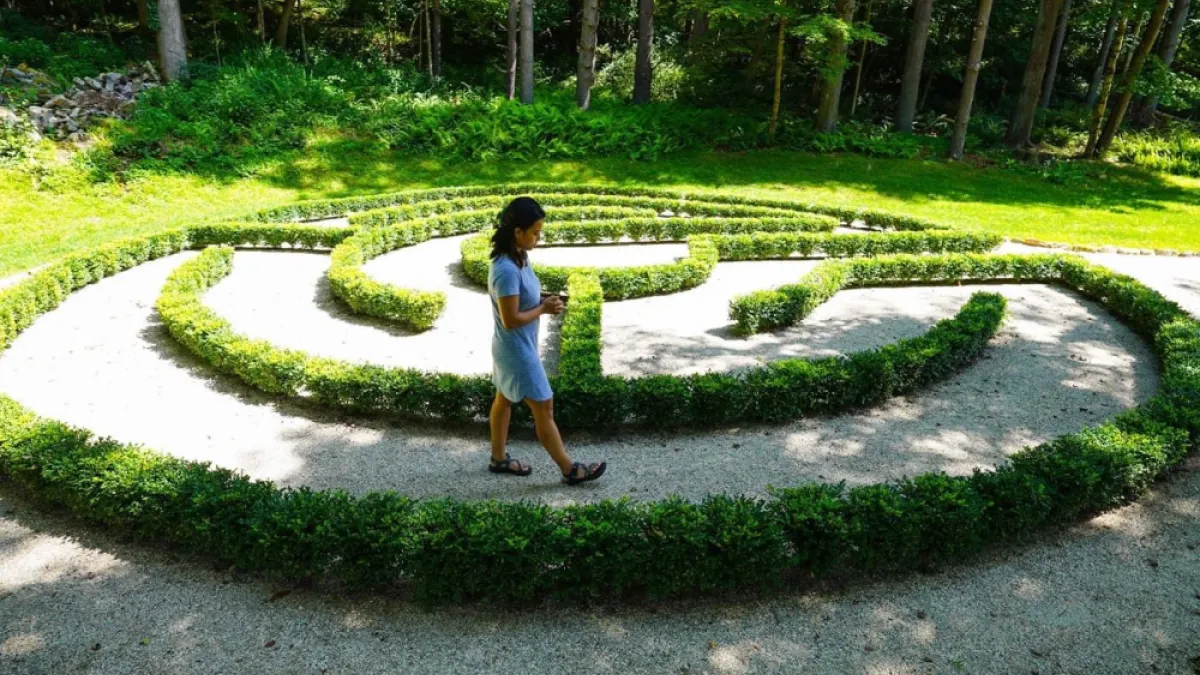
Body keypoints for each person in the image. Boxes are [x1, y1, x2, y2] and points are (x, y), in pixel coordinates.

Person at [487, 196, 607, 485]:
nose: (538, 238)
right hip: (516, 351)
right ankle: (570, 469)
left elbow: (520, 301)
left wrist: (544, 300)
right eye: (535, 232)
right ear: (518, 232)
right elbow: (511, 318)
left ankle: (498, 458)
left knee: (504, 399)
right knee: (544, 406)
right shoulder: (505, 269)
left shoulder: (519, 256)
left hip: (512, 347)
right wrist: (542, 309)